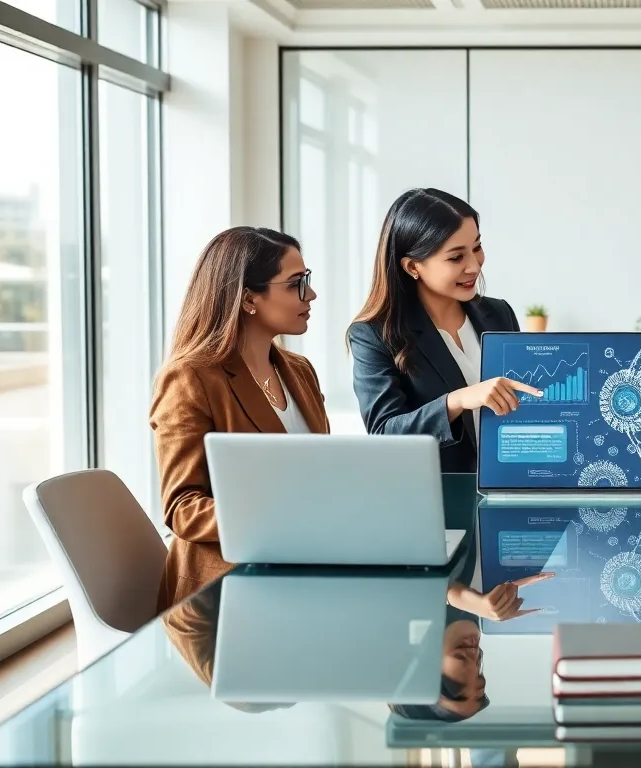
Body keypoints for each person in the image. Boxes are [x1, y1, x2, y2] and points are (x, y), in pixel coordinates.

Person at [150, 227, 328, 610]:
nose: (311, 295)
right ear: (249, 298)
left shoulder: (300, 371)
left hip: (301, 565)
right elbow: (183, 508)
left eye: (308, 281)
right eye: (297, 284)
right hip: (225, 591)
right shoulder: (189, 378)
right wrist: (281, 518)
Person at [348, 188, 541, 473]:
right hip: (436, 499)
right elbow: (384, 432)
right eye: (456, 257)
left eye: (477, 247)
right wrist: (458, 400)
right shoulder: (374, 334)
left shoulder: (498, 314)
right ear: (413, 266)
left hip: (507, 489)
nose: (474, 266)